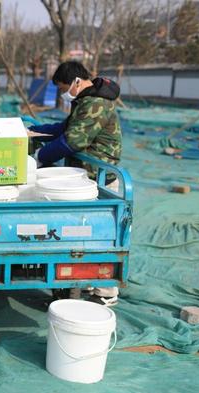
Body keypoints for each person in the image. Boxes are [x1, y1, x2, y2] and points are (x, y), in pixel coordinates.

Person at [29, 61, 122, 306]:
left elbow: (73, 140)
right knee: (81, 233)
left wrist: (40, 156)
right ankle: (87, 279)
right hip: (84, 178)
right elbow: (64, 128)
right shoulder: (86, 100)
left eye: (63, 87)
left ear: (76, 82)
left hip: (99, 179)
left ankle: (106, 292)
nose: (63, 92)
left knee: (102, 235)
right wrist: (33, 131)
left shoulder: (96, 104)